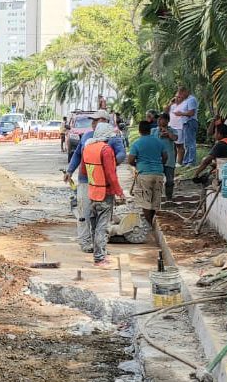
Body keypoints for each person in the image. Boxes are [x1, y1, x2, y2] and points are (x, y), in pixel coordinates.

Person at [64, 110, 126, 253]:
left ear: (104, 121)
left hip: (104, 183)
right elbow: (78, 155)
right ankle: (86, 242)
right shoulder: (87, 137)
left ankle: (98, 244)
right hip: (86, 182)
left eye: (96, 120)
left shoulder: (113, 138)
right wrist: (69, 171)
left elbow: (122, 154)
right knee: (84, 212)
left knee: (101, 216)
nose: (92, 123)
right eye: (92, 120)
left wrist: (109, 164)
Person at [83, 122, 125, 267]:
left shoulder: (88, 148)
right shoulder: (106, 150)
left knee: (94, 225)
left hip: (92, 192)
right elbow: (111, 174)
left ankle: (98, 254)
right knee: (103, 226)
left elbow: (83, 171)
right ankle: (100, 258)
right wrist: (119, 192)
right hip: (105, 193)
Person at [127, 120, 168, 232]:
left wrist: (138, 165)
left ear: (140, 131)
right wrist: (159, 165)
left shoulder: (137, 143)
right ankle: (153, 224)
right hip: (158, 174)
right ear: (150, 130)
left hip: (144, 174)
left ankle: (150, 226)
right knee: (155, 202)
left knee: (145, 202)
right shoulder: (159, 142)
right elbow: (165, 156)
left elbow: (130, 160)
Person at [169, 86, 199, 166]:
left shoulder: (191, 100)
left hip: (190, 122)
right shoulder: (186, 100)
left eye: (181, 94)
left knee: (191, 143)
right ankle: (186, 161)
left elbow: (191, 113)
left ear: (185, 92)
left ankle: (191, 161)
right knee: (187, 143)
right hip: (185, 123)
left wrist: (180, 114)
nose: (181, 97)